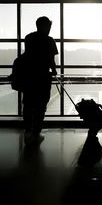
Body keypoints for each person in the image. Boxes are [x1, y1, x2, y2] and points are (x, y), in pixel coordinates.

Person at [23, 16, 58, 145]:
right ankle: (36, 132)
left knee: (28, 103)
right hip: (43, 77)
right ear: (45, 26)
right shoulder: (49, 41)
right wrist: (54, 71)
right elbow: (51, 60)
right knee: (41, 104)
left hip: (29, 76)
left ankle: (28, 130)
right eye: (49, 26)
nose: (49, 29)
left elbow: (28, 56)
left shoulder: (29, 38)